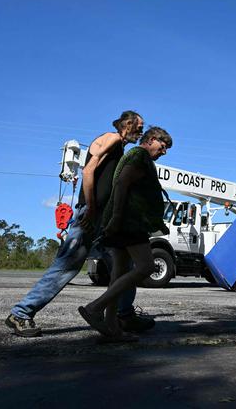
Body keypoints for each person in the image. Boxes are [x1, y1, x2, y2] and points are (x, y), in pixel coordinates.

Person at [5, 111, 151, 337]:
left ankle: (124, 315)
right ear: (128, 124)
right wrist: (91, 209)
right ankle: (21, 313)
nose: (141, 131)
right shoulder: (111, 139)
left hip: (103, 217)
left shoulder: (119, 147)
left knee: (122, 267)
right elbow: (88, 170)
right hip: (91, 215)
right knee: (67, 265)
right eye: (139, 126)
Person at [78, 126, 172, 341]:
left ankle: (112, 327)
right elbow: (122, 183)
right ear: (150, 140)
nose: (164, 151)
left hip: (122, 221)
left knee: (118, 274)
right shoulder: (139, 155)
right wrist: (118, 217)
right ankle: (95, 307)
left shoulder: (135, 156)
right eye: (163, 146)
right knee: (147, 266)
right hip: (129, 221)